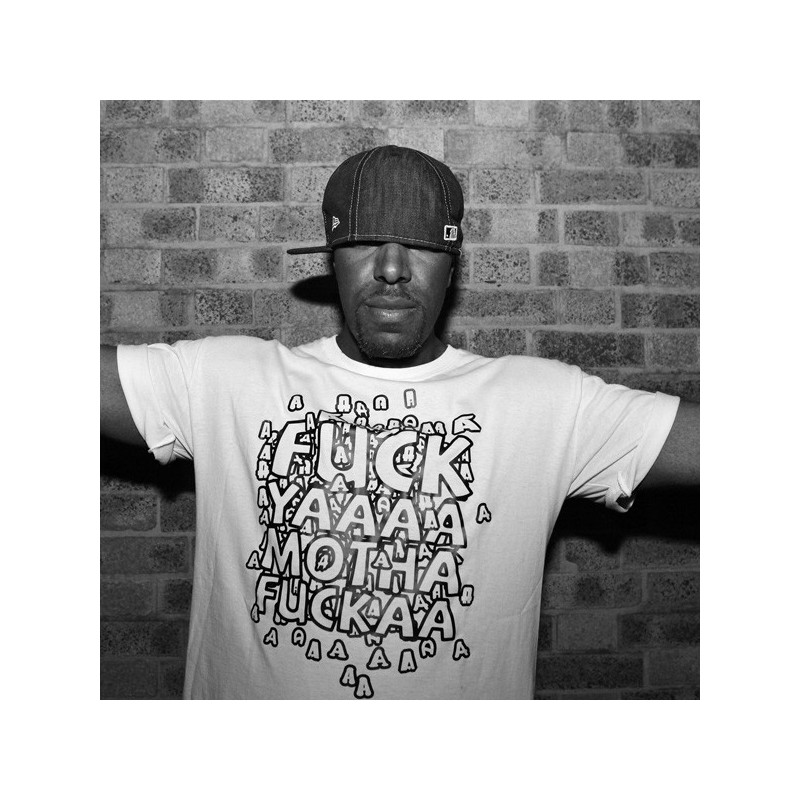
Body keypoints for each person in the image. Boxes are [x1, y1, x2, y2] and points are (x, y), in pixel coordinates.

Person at [101, 145, 699, 699]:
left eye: (420, 245)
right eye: (365, 242)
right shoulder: (227, 378)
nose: (392, 267)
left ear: (452, 264)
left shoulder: (543, 402)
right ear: (333, 260)